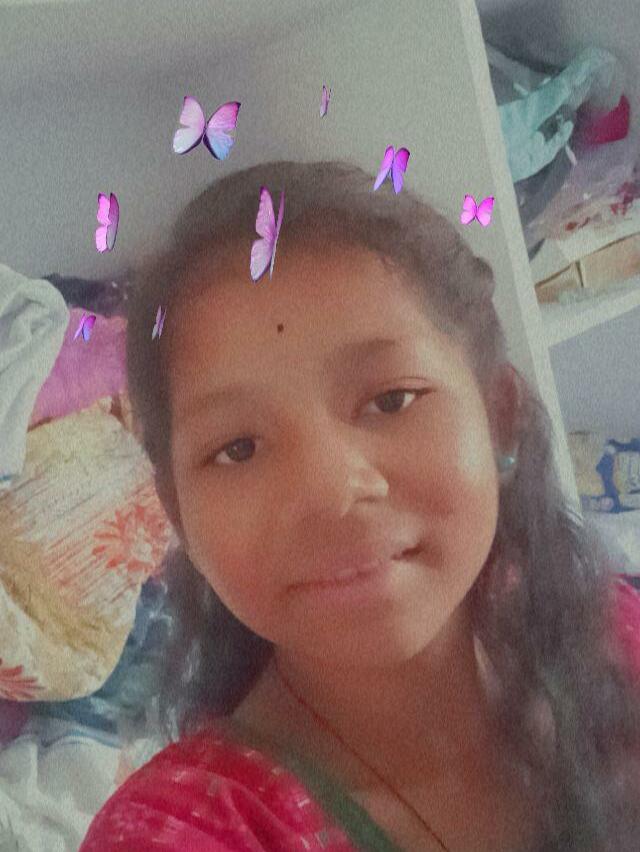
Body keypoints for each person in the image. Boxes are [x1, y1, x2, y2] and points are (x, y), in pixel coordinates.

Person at [79, 160, 640, 852]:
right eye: (238, 448)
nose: (331, 494)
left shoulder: (613, 640)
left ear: (498, 416)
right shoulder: (182, 832)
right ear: (177, 510)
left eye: (390, 400)